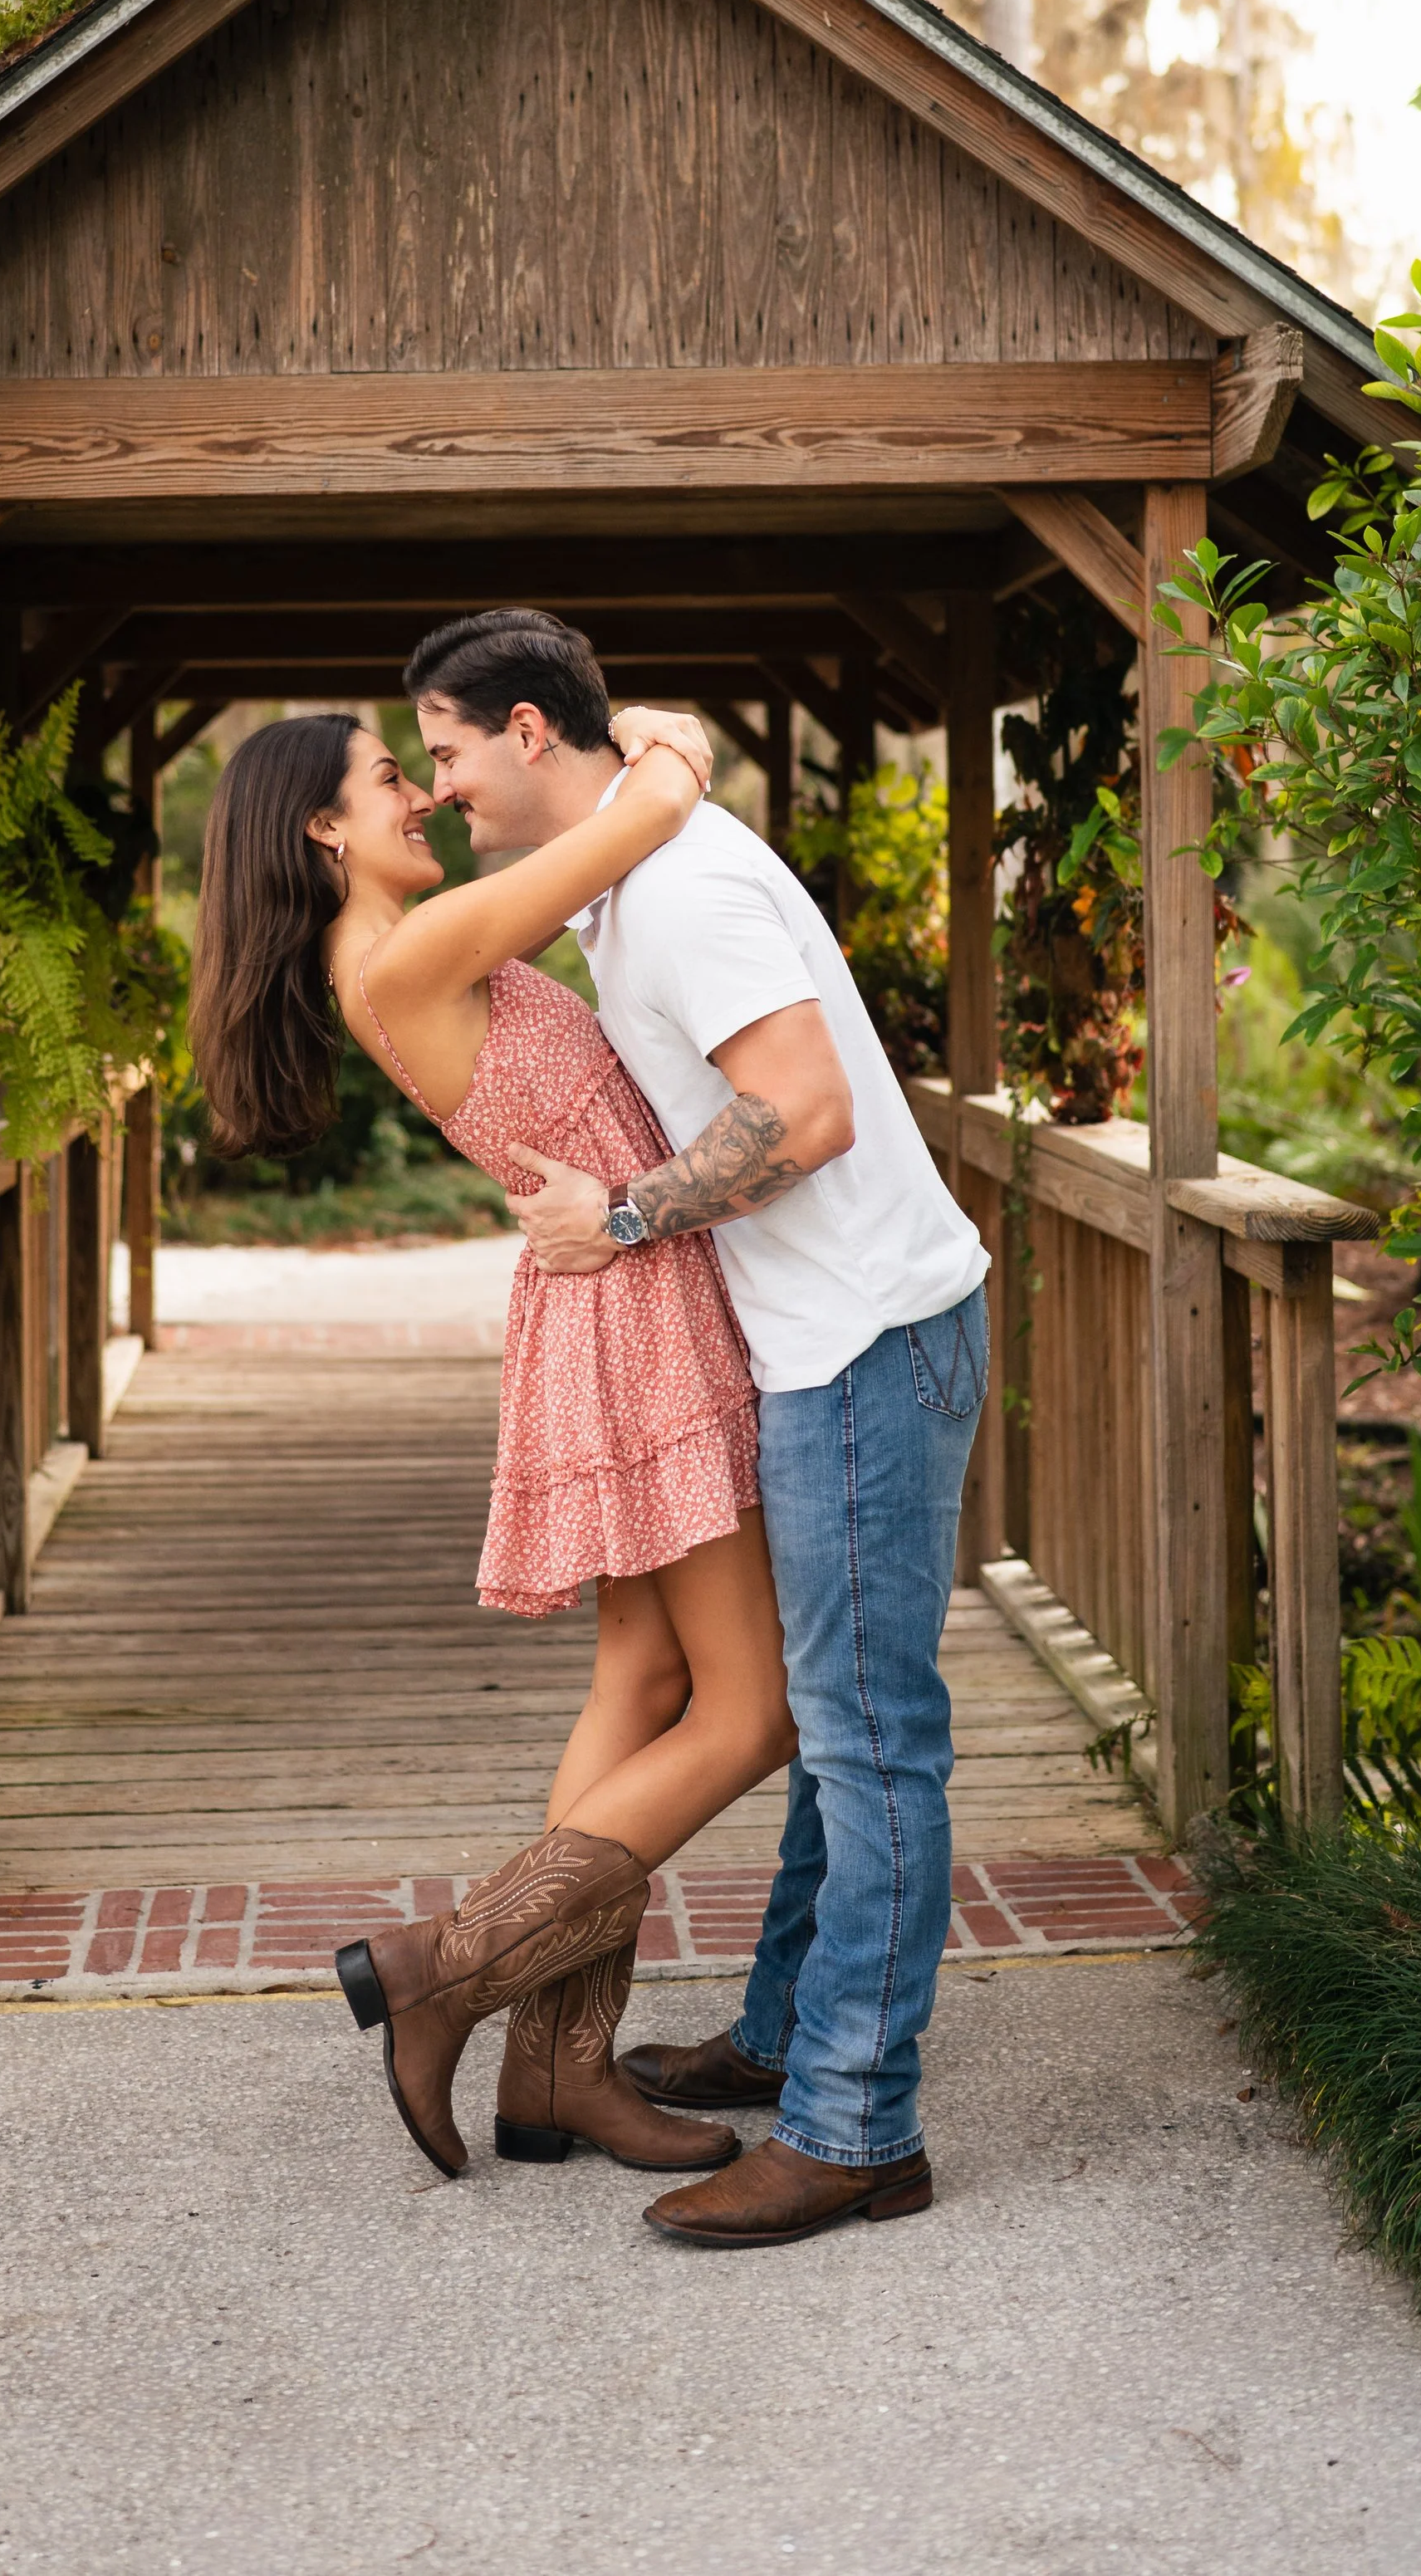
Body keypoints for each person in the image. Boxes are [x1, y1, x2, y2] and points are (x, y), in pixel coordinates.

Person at [408, 608, 991, 2251]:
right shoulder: (626, 868)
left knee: (868, 1737)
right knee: (828, 1712)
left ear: (527, 734)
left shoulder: (676, 894)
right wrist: (659, 757)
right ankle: (793, 2035)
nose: (440, 788)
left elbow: (800, 1111)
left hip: (864, 1340)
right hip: (820, 1343)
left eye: (446, 753)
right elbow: (647, 741)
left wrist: (627, 1215)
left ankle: (853, 2131)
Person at [189, 689, 799, 2188]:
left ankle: (555, 2071)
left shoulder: (401, 952)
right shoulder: (406, 951)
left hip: (615, 1294)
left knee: (646, 1675)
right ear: (325, 828)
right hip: (632, 1309)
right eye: (392, 779)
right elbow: (637, 823)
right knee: (753, 1710)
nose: (424, 798)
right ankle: (447, 1971)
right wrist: (668, 742)